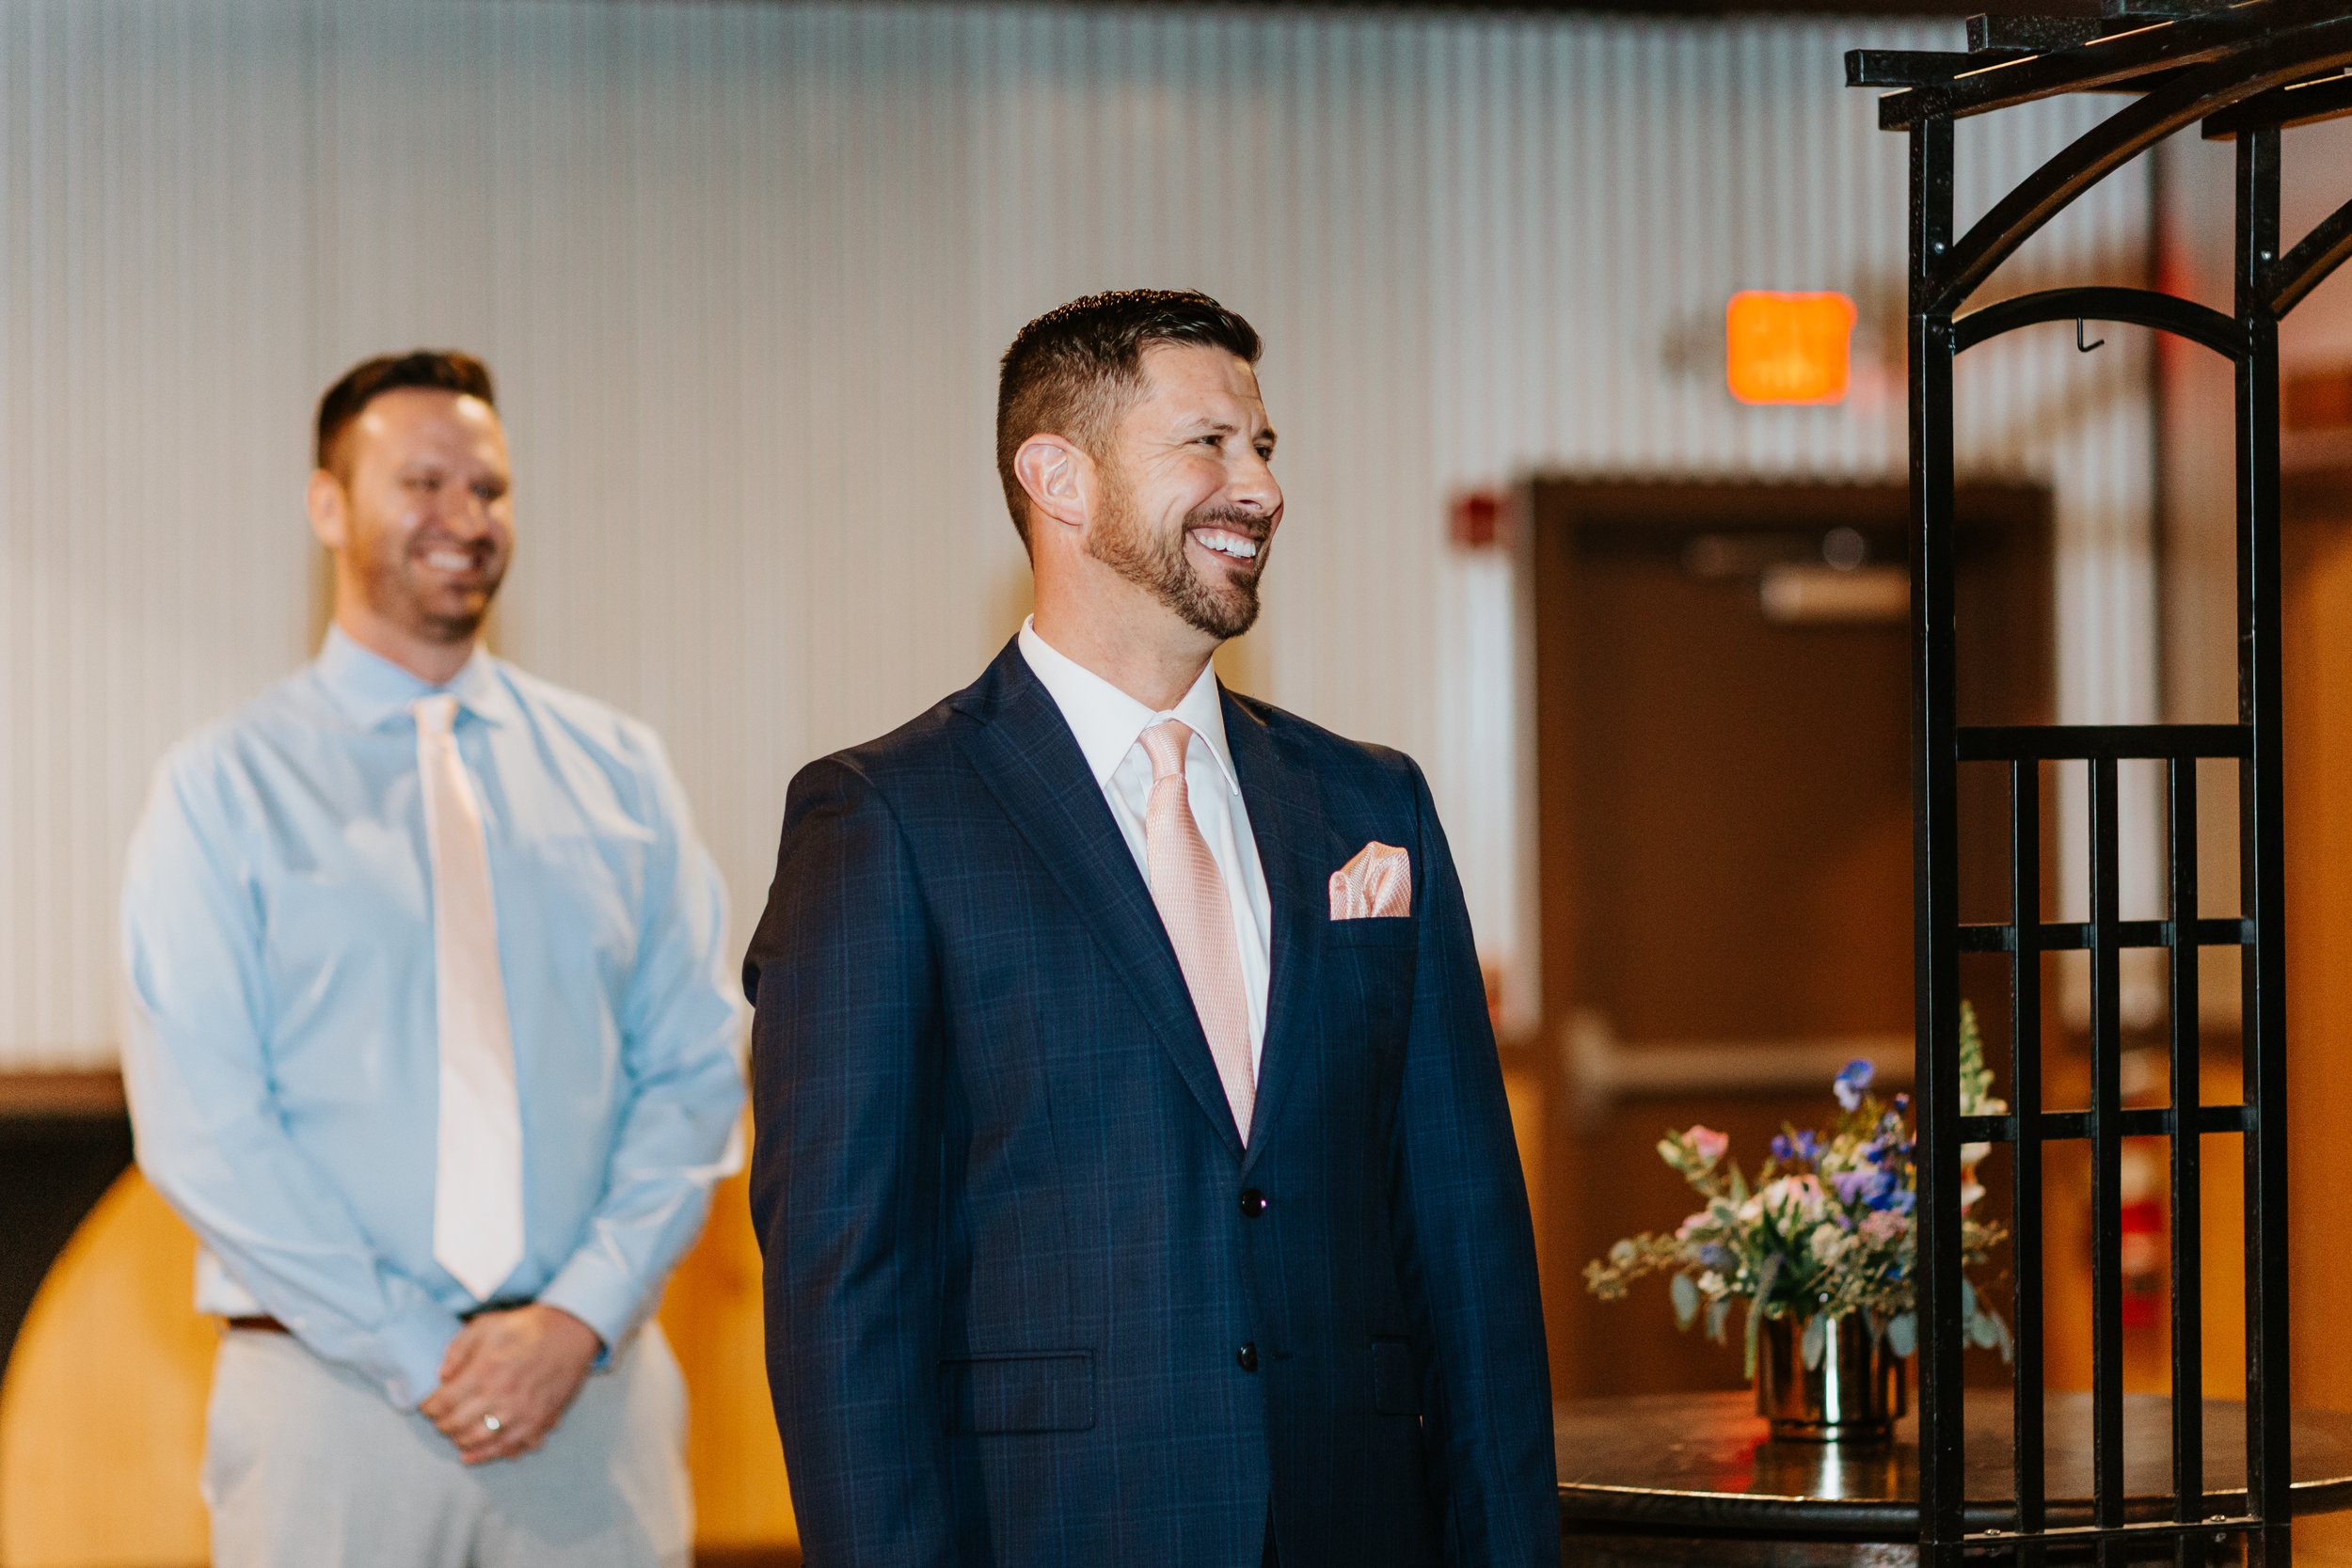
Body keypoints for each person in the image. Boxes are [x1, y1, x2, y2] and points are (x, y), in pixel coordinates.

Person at [745, 291, 1558, 1567]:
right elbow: (842, 1294)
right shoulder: (886, 820)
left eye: (1266, 447)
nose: (1262, 488)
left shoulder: (1369, 803)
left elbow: (1469, 1251)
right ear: (1057, 478)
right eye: (1209, 444)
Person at [121, 351, 745, 1568]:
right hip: (327, 1405)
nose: (464, 519)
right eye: (422, 482)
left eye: (491, 488)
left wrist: (576, 1316)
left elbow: (695, 1069)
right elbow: (205, 1125)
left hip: (592, 1401)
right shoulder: (219, 789)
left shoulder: (620, 772)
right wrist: (417, 1349)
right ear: (327, 505)